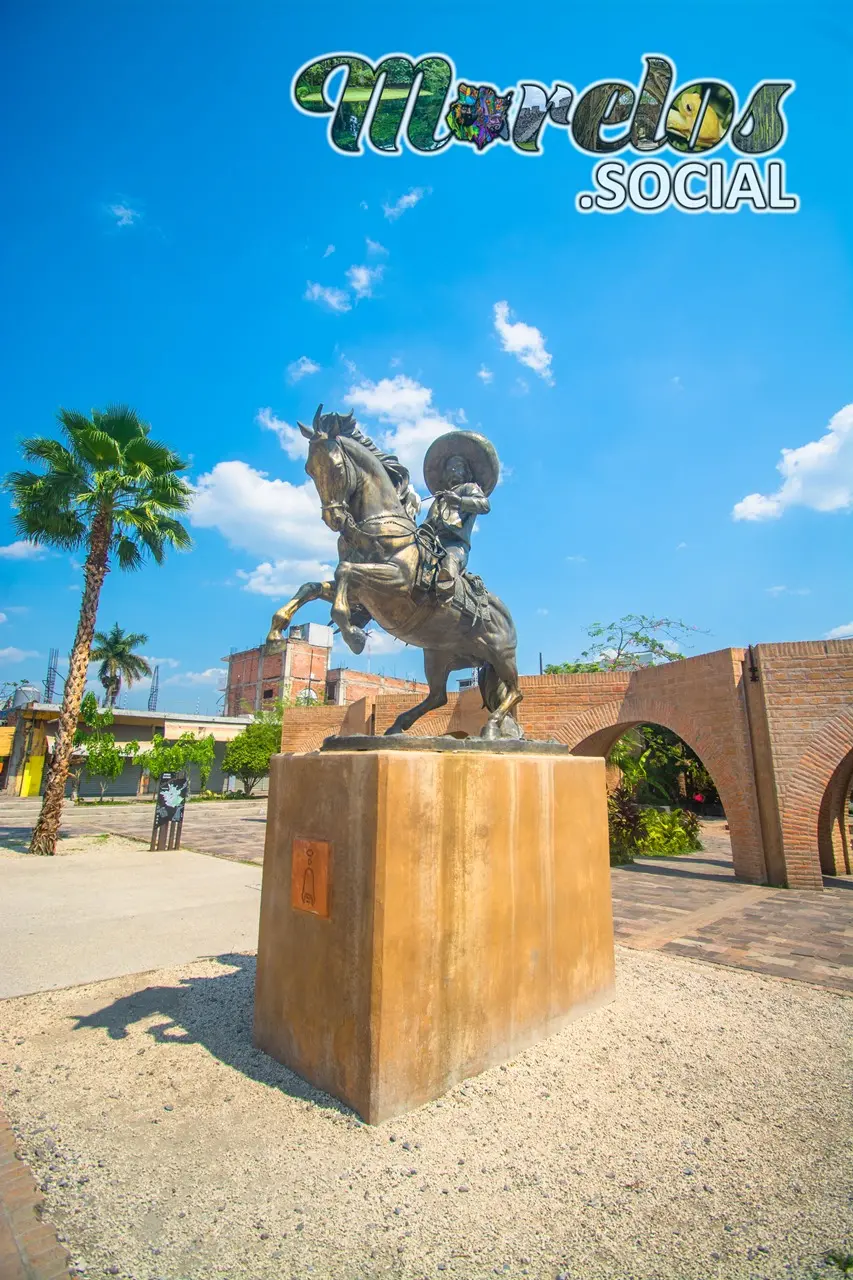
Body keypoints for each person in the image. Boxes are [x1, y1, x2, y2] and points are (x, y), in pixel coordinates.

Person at [420, 453, 490, 600]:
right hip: (432, 545)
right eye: (449, 469)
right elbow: (428, 524)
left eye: (457, 468)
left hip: (455, 545)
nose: (453, 471)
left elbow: (484, 505)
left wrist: (459, 501)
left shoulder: (469, 488)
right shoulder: (439, 499)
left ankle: (445, 596)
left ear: (466, 472)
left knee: (449, 560)